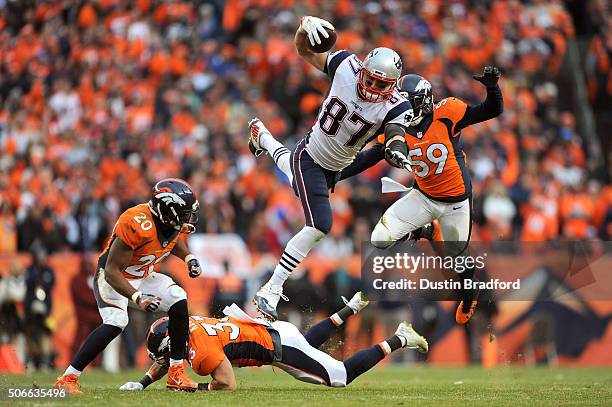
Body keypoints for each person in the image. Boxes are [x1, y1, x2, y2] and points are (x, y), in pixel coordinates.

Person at [248, 15, 416, 321]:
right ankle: (270, 290)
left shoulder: (396, 105)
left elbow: (395, 134)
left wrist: (396, 149)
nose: (372, 85)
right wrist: (302, 31)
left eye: (381, 83)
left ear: (392, 86)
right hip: (311, 156)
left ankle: (264, 138)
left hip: (341, 164)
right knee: (320, 224)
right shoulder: (346, 66)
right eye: (370, 78)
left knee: (378, 151)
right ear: (363, 70)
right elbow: (304, 51)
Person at [370, 67, 504, 324]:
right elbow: (370, 157)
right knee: (379, 238)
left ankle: (468, 295)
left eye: (403, 103)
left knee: (458, 257)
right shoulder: (397, 128)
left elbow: (491, 110)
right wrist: (338, 173)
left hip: (456, 202)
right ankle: (427, 230)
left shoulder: (447, 113)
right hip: (422, 196)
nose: (398, 108)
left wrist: (492, 87)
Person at [54, 178, 204, 393]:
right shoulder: (136, 222)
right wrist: (137, 298)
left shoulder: (169, 221)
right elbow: (112, 270)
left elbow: (173, 240)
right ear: (165, 209)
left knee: (178, 298)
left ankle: (176, 373)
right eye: (183, 213)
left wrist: (189, 258)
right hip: (113, 277)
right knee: (116, 321)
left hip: (142, 275)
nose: (187, 219)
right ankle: (67, 378)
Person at [118, 292, 427, 391]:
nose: (159, 362)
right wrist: (143, 383)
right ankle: (349, 309)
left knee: (340, 378)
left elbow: (227, 383)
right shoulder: (191, 326)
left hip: (279, 348)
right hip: (274, 331)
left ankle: (400, 337)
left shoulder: (199, 353)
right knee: (308, 344)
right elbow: (165, 358)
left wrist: (193, 388)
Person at [23, 246, 55, 370]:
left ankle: (45, 362)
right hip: (30, 307)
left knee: (45, 334)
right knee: (30, 334)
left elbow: (51, 283)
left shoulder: (48, 270)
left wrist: (40, 280)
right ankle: (30, 361)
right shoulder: (30, 270)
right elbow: (28, 282)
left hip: (45, 308)